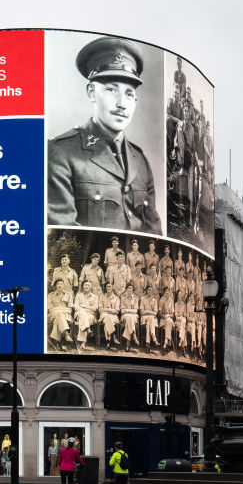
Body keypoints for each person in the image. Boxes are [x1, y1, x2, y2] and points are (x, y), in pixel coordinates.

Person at [48, 37, 162, 233]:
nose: (121, 104)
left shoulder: (140, 161)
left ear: (135, 100)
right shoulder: (61, 153)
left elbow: (155, 236)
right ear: (92, 93)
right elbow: (63, 237)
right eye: (111, 90)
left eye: (128, 94)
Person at [47, 279, 74, 351]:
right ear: (56, 285)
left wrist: (58, 309)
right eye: (58, 284)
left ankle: (58, 343)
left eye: (61, 284)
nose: (59, 285)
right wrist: (62, 309)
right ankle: (65, 335)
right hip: (53, 314)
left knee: (57, 319)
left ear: (63, 285)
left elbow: (70, 310)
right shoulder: (50, 295)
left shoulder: (68, 295)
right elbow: (50, 309)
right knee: (59, 314)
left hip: (66, 315)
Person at [73, 280, 99, 351]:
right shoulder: (78, 295)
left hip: (90, 315)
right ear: (83, 286)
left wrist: (84, 306)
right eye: (85, 285)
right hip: (79, 314)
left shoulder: (95, 297)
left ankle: (83, 342)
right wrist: (84, 309)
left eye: (88, 285)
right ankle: (87, 331)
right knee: (82, 314)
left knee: (84, 318)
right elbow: (75, 306)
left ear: (91, 287)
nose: (87, 286)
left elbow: (95, 309)